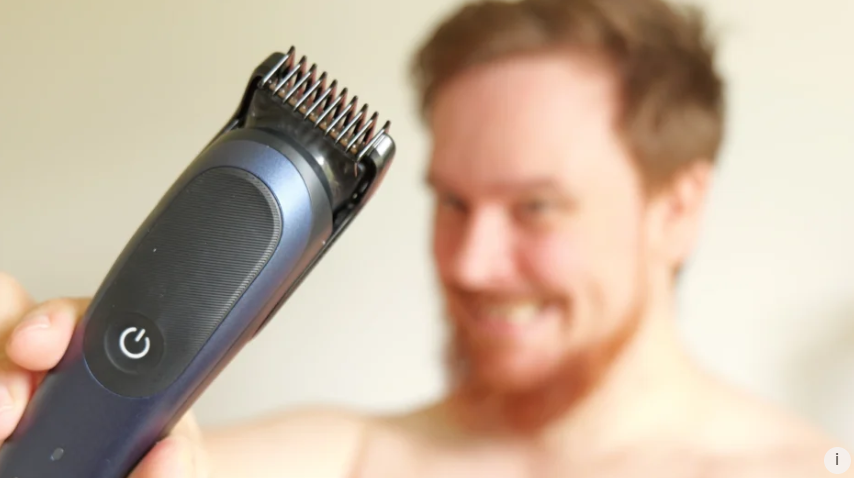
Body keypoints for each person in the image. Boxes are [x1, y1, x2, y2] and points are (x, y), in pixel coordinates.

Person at [0, 0, 839, 476]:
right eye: (453, 203)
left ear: (676, 209)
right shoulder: (341, 461)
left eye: (536, 207)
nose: (468, 262)